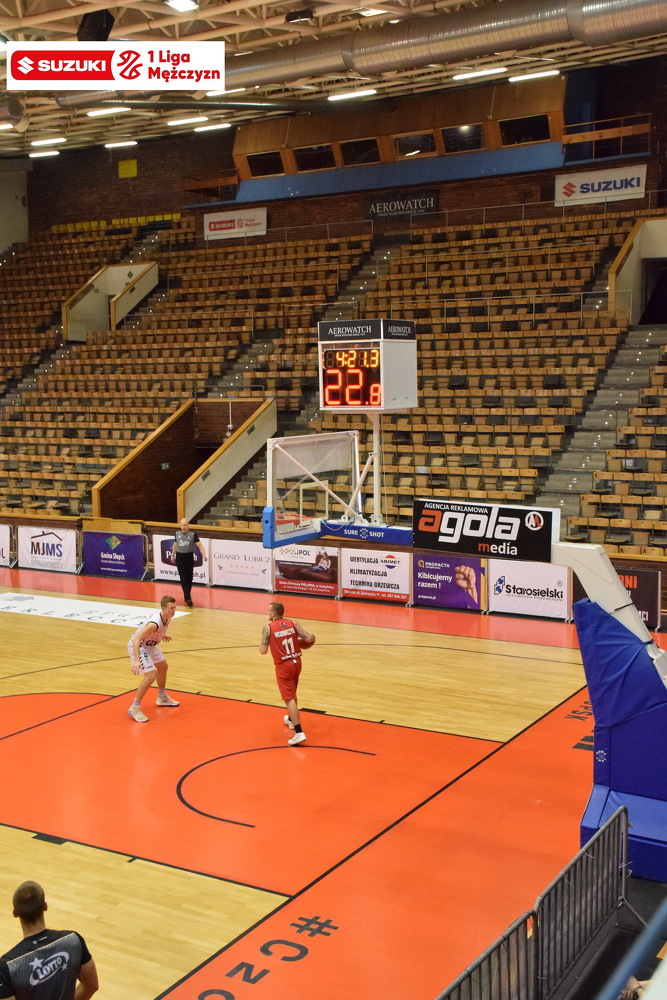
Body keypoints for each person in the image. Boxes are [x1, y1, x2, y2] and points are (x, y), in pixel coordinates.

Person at [0, 880, 98, 1000]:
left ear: (15, 913)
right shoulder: (73, 940)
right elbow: (92, 986)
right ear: (45, 906)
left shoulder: (6, 967)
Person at [259, 600, 315, 746]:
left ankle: (299, 732)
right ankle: (291, 719)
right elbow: (309, 638)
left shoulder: (268, 628)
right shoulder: (292, 623)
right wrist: (311, 637)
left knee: (288, 698)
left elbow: (263, 651)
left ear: (273, 613)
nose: (267, 613)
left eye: (269, 610)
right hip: (297, 663)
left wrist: (268, 642)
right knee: (292, 692)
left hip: (283, 665)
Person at [127, 595, 180, 723]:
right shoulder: (154, 624)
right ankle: (135, 707)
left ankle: (162, 697)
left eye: (175, 607)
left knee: (163, 666)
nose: (174, 610)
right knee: (150, 675)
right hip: (140, 647)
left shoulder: (168, 616)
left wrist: (162, 635)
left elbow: (160, 628)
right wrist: (136, 661)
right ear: (163, 608)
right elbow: (136, 639)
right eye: (172, 608)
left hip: (151, 645)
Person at [170, 518, 207, 607]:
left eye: (185, 525)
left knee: (189, 578)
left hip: (189, 557)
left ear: (188, 525)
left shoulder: (193, 535)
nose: (183, 527)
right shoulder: (177, 534)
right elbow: (175, 545)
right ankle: (188, 598)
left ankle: (187, 596)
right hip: (180, 557)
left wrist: (204, 555)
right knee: (183, 578)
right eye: (182, 525)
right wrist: (172, 555)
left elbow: (200, 545)